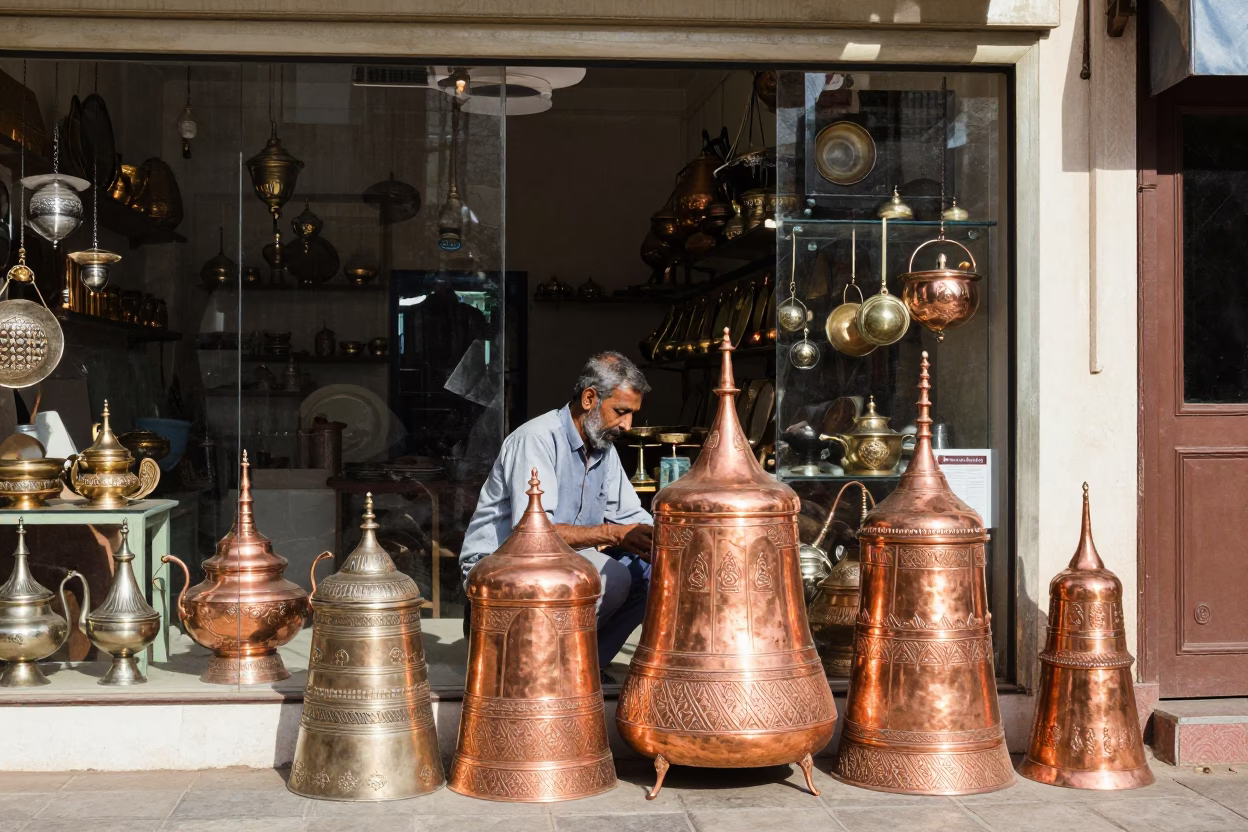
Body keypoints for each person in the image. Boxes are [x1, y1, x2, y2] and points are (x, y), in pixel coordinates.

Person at [459, 351, 653, 679]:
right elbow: (534, 534)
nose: (627, 426)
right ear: (590, 398)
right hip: (503, 571)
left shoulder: (604, 447)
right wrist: (614, 534)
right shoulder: (536, 438)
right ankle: (533, 668)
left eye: (632, 415)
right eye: (621, 412)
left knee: (652, 571)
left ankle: (583, 668)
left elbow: (633, 516)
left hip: (565, 563)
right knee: (616, 577)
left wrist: (671, 540)